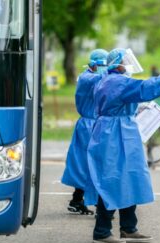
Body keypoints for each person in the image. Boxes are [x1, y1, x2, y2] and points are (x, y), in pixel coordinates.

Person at [85, 48, 160, 243]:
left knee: (128, 177)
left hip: (116, 131)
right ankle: (102, 230)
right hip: (115, 134)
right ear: (118, 63)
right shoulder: (118, 81)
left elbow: (121, 100)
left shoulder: (108, 80)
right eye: (125, 60)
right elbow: (145, 88)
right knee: (112, 179)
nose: (128, 63)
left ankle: (128, 228)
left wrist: (135, 107)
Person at [60, 49, 108, 215]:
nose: (105, 68)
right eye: (103, 65)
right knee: (91, 164)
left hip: (93, 124)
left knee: (85, 164)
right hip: (89, 125)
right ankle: (99, 206)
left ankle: (77, 200)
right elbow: (98, 79)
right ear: (93, 64)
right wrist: (112, 70)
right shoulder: (86, 77)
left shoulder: (95, 76)